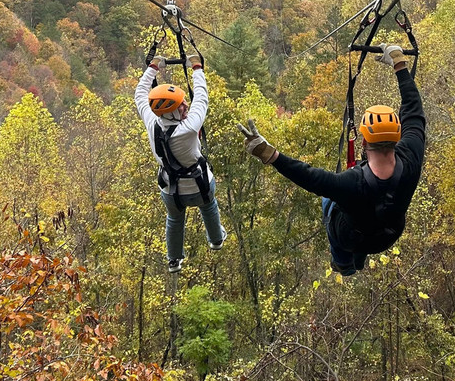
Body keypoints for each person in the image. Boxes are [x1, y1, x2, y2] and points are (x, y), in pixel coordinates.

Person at [238, 45, 425, 275]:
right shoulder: (411, 157)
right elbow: (413, 111)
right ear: (398, 136)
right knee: (358, 214)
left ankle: (344, 264)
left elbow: (309, 177)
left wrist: (270, 154)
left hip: (350, 237)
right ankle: (357, 259)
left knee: (329, 201)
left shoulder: (349, 184)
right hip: (387, 236)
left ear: (363, 142)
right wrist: (399, 64)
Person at [136, 52, 226, 273]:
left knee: (175, 219)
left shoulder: (152, 121)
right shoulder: (189, 127)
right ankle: (216, 239)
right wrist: (196, 68)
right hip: (200, 186)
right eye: (181, 106)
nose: (186, 106)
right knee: (209, 206)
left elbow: (140, 94)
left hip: (170, 189)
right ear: (171, 113)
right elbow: (202, 97)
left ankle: (174, 260)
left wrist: (153, 68)